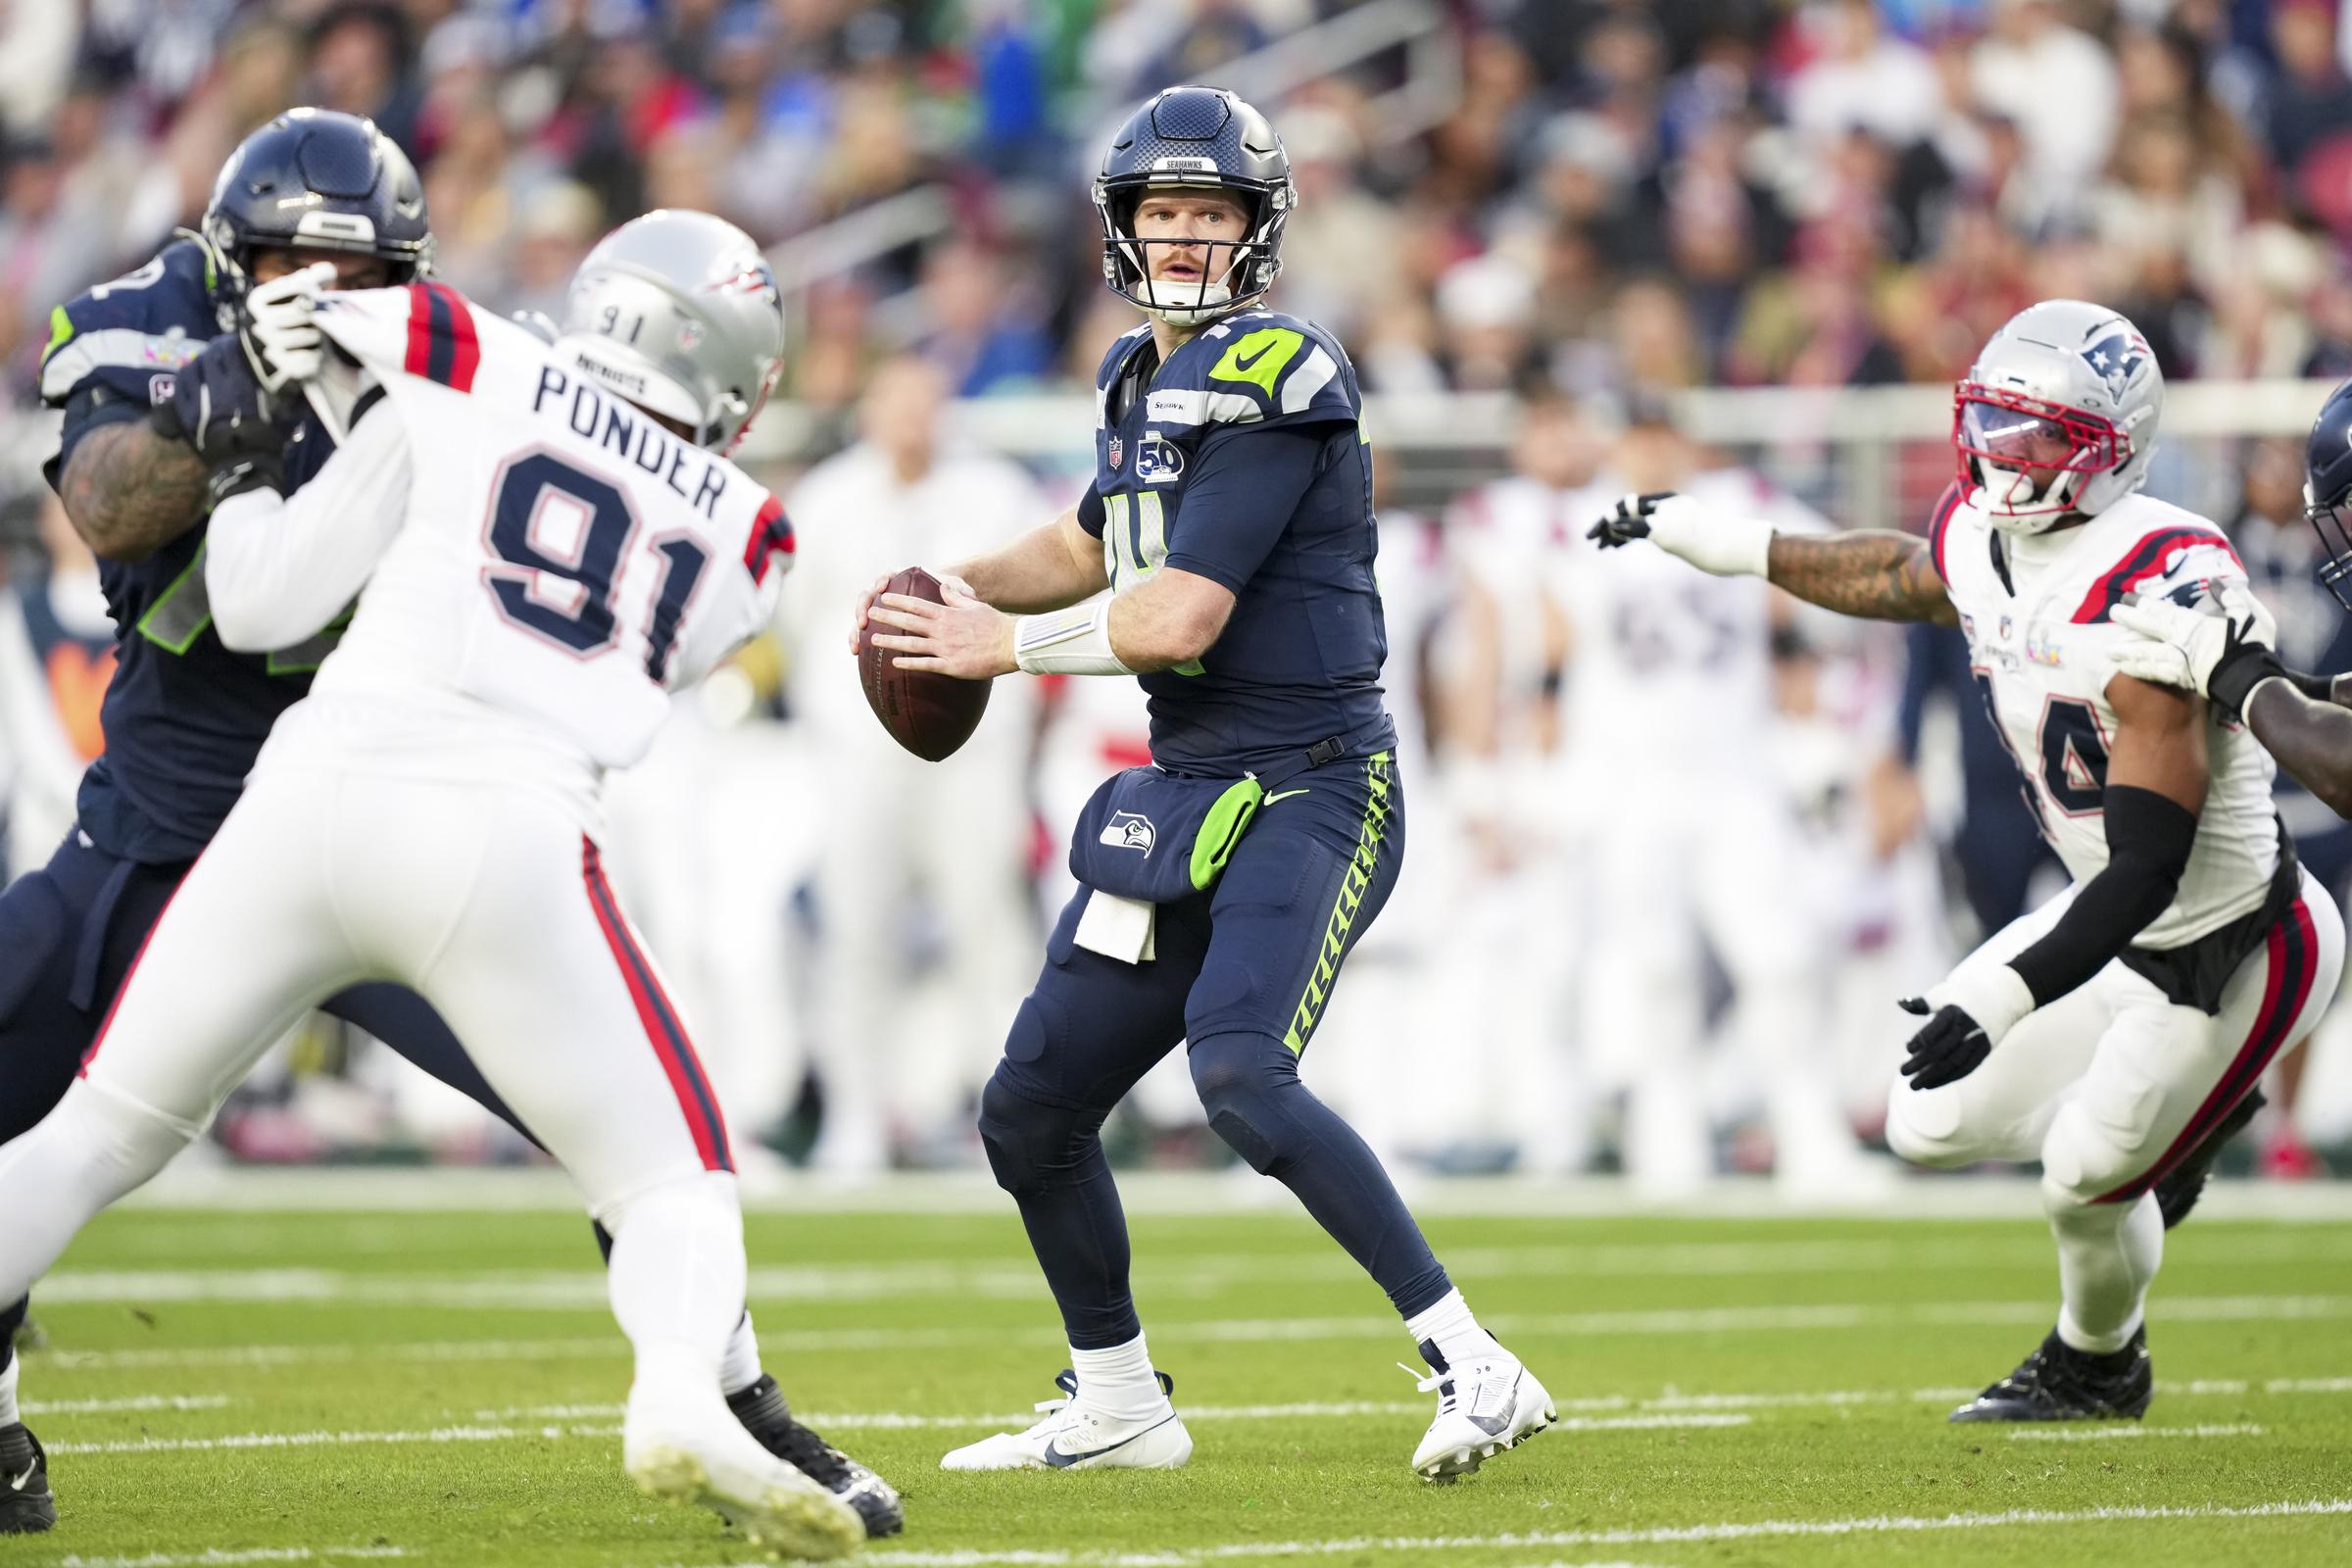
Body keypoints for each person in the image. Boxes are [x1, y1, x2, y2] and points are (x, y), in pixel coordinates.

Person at [1, 111, 897, 1542]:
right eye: (283, 263)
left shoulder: (468, 363)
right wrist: (232, 401)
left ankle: (744, 1402)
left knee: (106, 1138)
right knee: (669, 1161)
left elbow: (264, 595)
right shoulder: (751, 529)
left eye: (345, 272)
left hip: (308, 793)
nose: (315, 291)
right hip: (309, 820)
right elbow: (115, 508)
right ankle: (691, 1389)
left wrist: (287, 446)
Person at [858, 85, 1554, 1480]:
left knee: (1241, 1076)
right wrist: (944, 585)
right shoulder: (1134, 375)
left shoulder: (1285, 371)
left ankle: (1478, 1365)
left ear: (1257, 228)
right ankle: (1120, 1400)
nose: (1183, 237)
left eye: (1210, 213)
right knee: (1030, 1108)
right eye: (1162, 213)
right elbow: (1094, 538)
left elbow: (1178, 615)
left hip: (1313, 783)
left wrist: (996, 647)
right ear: (1123, 229)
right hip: (1187, 788)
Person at [1592, 299, 2342, 1421]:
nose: (2002, 452)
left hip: (2232, 941)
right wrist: (1732, 544)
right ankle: (2169, 1134)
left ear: (2106, 448)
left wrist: (1998, 995)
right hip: (2114, 917)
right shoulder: (1987, 536)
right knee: (1920, 1120)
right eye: (1994, 419)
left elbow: (2149, 866)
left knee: (2083, 1179)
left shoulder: (2158, 579)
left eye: (2036, 434)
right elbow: (1902, 574)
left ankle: (2097, 1361)